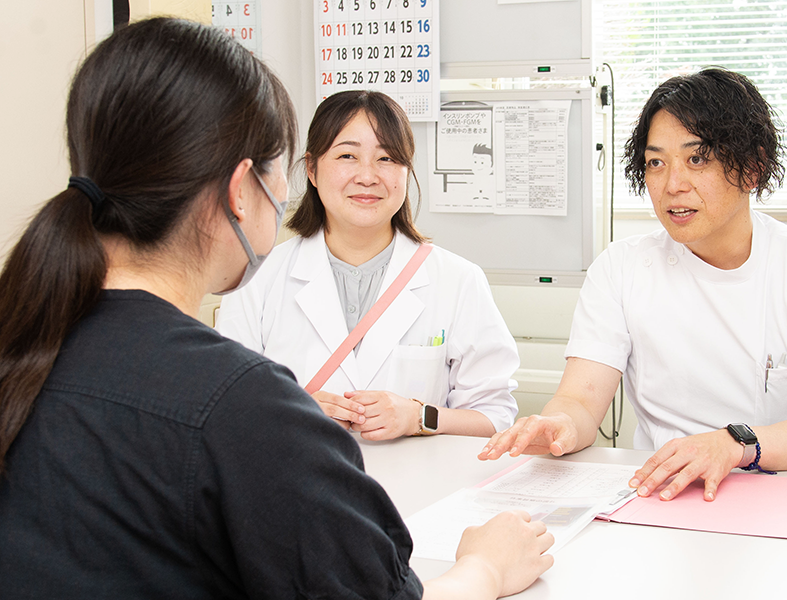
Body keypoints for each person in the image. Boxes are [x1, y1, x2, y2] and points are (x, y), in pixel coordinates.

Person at [0, 18, 552, 598]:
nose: (367, 175)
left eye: (388, 160)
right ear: (245, 189)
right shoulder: (241, 410)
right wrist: (486, 569)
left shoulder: (29, 341)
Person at [479, 67, 787, 503]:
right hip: (662, 495)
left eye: (697, 159)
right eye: (656, 163)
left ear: (753, 167)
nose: (672, 185)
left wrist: (733, 445)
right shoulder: (623, 267)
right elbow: (579, 400)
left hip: (784, 495)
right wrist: (557, 424)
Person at [216, 90, 519, 440]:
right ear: (312, 169)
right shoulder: (258, 278)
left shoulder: (458, 280)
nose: (368, 176)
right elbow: (222, 406)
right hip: (294, 485)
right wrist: (294, 413)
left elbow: (495, 417)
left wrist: (420, 417)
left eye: (387, 159)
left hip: (418, 490)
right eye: (347, 155)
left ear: (406, 172)